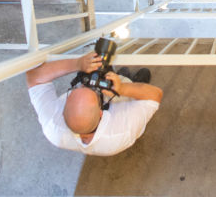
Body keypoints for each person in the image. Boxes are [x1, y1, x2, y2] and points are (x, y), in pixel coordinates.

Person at [26, 51, 163, 155]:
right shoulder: (123, 129)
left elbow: (34, 77)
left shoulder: (53, 126)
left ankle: (122, 77)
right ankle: (129, 80)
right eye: (94, 92)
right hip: (127, 112)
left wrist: (77, 64)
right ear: (101, 113)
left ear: (63, 112)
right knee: (136, 92)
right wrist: (122, 88)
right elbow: (155, 94)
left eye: (77, 88)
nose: (90, 84)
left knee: (114, 76)